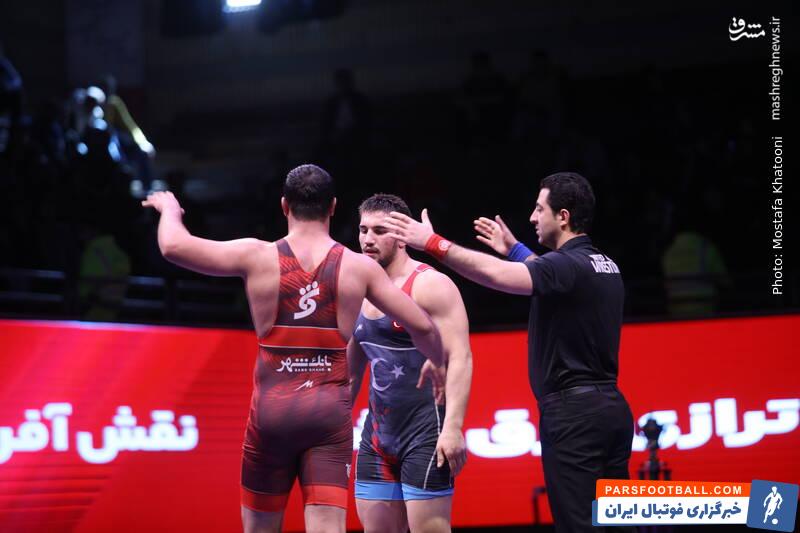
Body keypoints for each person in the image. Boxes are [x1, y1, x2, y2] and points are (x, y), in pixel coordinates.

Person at [142, 164, 444, 533]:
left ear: (284, 205)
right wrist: (437, 361)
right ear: (333, 207)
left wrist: (170, 210)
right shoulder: (358, 268)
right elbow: (422, 326)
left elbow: (172, 247)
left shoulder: (256, 255)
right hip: (327, 416)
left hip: (272, 415)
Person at [383, 172, 634, 533]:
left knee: (580, 525)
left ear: (563, 216)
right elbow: (549, 274)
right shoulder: (603, 264)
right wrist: (515, 250)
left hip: (573, 416)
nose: (532, 217)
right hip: (610, 410)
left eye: (539, 208)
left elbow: (499, 276)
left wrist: (432, 243)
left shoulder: (565, 267)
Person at [349, 194, 472, 533]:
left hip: (426, 435)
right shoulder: (356, 289)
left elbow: (460, 357)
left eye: (379, 231)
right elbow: (351, 373)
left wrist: (453, 427)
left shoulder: (431, 285)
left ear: (402, 236)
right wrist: (334, 427)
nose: (368, 239)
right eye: (363, 229)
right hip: (377, 438)